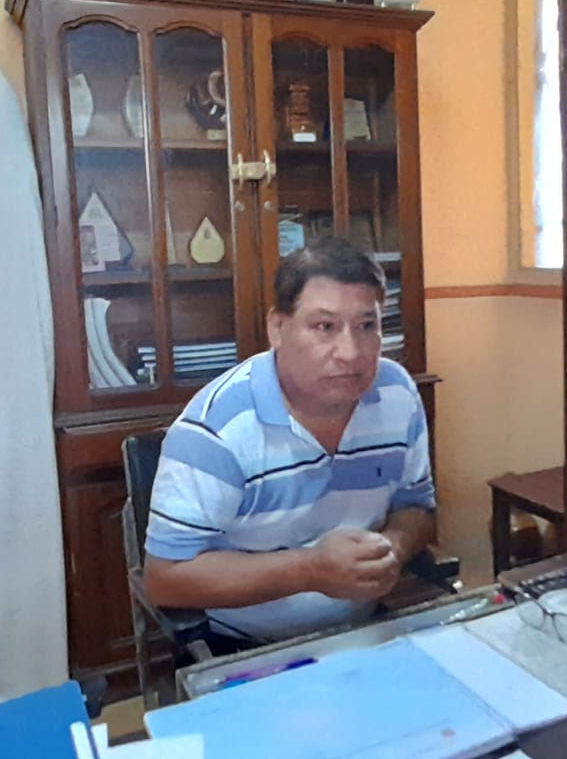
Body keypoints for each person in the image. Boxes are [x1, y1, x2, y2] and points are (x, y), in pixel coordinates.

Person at [143, 238, 436, 648]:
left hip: (365, 632)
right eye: (325, 327)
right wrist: (311, 570)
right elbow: (164, 579)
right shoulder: (218, 429)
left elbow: (415, 506)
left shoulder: (397, 393)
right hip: (246, 646)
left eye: (367, 326)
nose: (350, 352)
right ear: (278, 328)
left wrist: (393, 548)